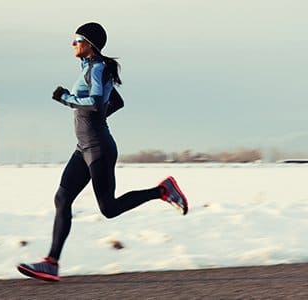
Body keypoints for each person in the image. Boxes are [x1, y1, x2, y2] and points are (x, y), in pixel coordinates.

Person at [17, 22, 188, 282]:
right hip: (83, 148)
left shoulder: (96, 68)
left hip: (99, 149)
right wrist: (93, 119)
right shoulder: (91, 68)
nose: (72, 44)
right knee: (62, 199)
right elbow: (116, 102)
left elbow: (96, 103)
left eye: (76, 39)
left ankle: (163, 190)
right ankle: (51, 263)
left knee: (108, 208)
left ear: (89, 44)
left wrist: (66, 98)